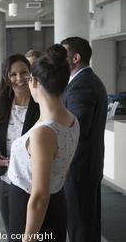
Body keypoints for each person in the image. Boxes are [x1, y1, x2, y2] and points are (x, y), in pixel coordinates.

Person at [7, 44, 79, 242]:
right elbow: (62, 169)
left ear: (35, 82)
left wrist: (28, 237)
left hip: (32, 207)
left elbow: (39, 196)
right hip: (56, 199)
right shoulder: (71, 119)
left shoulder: (44, 133)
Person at [61, 37, 108, 242]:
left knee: (80, 226)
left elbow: (76, 129)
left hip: (79, 167)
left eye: (63, 56)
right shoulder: (86, 81)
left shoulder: (82, 85)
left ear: (76, 58)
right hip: (86, 165)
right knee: (86, 223)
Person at [0, 55, 40, 233]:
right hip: (5, 176)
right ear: (6, 77)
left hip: (32, 177)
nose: (19, 79)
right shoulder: (0, 104)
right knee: (11, 228)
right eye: (13, 74)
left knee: (32, 229)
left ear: (31, 73)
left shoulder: (40, 104)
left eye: (24, 72)